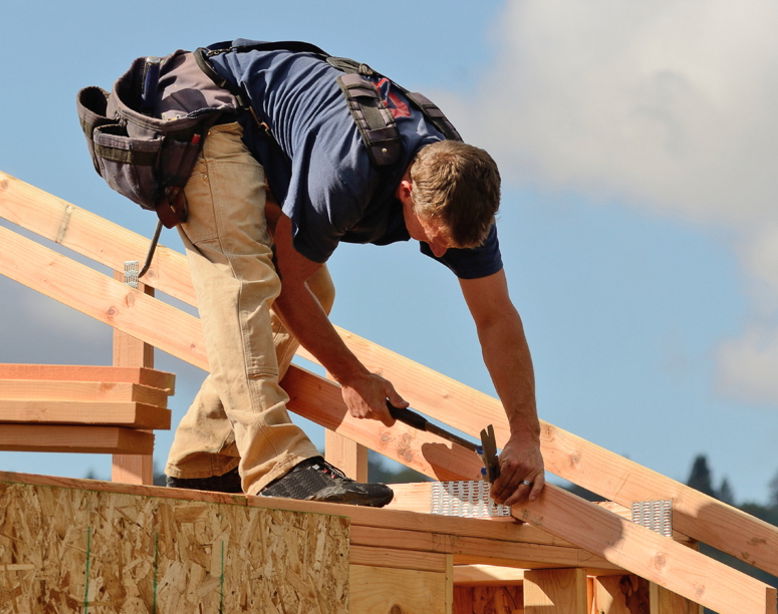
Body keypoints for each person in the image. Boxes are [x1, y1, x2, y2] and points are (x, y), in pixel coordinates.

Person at [162, 40, 545, 508]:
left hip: (264, 145)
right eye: (435, 236)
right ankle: (275, 464)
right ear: (406, 191)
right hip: (206, 111)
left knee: (316, 293)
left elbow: (497, 319)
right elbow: (284, 282)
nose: (441, 252)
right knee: (244, 283)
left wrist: (526, 435)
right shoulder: (349, 170)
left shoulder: (463, 202)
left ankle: (202, 462)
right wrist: (352, 376)